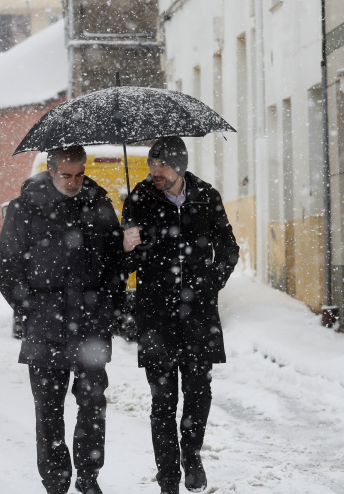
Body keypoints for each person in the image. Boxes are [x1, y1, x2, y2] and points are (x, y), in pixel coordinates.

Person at [0, 145, 124, 494]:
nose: (74, 181)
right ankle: (55, 482)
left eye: (79, 173)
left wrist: (128, 252)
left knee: (93, 405)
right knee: (49, 412)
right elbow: (6, 264)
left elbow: (115, 265)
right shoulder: (25, 208)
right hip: (45, 326)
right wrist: (29, 308)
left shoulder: (99, 204)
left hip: (90, 325)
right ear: (51, 170)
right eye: (66, 174)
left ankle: (88, 477)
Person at [121, 136, 239, 494]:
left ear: (180, 165)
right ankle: (168, 477)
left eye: (163, 164)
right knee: (162, 402)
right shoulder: (138, 200)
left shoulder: (206, 196)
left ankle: (192, 456)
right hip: (156, 316)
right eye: (151, 164)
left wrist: (211, 283)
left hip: (200, 315)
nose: (155, 171)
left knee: (199, 393)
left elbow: (229, 247)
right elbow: (126, 261)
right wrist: (133, 245)